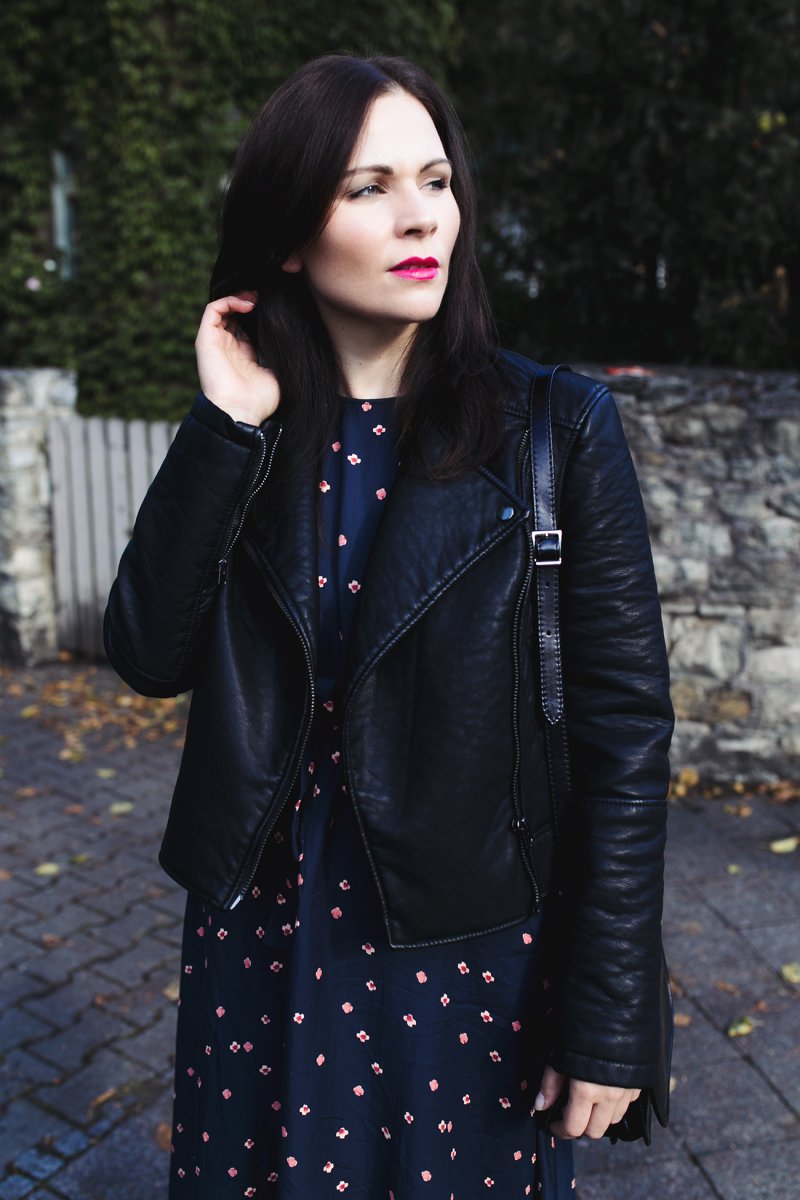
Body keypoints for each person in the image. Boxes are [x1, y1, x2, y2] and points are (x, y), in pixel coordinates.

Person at [103, 52, 674, 1199]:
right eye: (367, 188)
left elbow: (623, 738)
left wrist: (610, 1015)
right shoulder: (251, 431)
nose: (420, 217)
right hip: (258, 939)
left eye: (434, 180)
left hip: (463, 952)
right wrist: (226, 428)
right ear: (286, 235)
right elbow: (149, 655)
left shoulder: (553, 427)